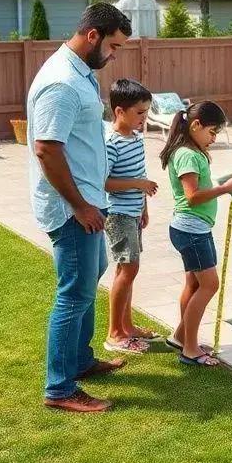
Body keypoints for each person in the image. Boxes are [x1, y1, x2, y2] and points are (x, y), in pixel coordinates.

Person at [27, 3, 131, 412]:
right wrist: (81, 206)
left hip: (89, 201)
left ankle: (80, 361)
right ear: (93, 36)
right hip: (73, 209)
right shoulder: (62, 83)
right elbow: (47, 151)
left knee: (92, 276)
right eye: (114, 46)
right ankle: (59, 389)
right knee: (74, 293)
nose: (114, 55)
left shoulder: (79, 74)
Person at [160, 101, 232, 366]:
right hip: (191, 230)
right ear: (195, 125)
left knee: (194, 284)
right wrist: (224, 189)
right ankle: (190, 350)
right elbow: (192, 196)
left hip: (193, 229)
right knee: (209, 284)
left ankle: (182, 337)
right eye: (212, 132)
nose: (214, 138)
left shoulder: (191, 151)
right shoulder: (187, 154)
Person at [103, 78, 159, 355]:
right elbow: (104, 183)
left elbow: (139, 174)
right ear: (119, 111)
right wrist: (139, 185)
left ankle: (127, 326)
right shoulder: (112, 143)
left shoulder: (135, 139)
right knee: (128, 269)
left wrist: (143, 209)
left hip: (133, 214)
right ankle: (114, 333)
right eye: (139, 113)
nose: (144, 118)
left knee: (127, 271)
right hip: (118, 215)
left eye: (146, 113)